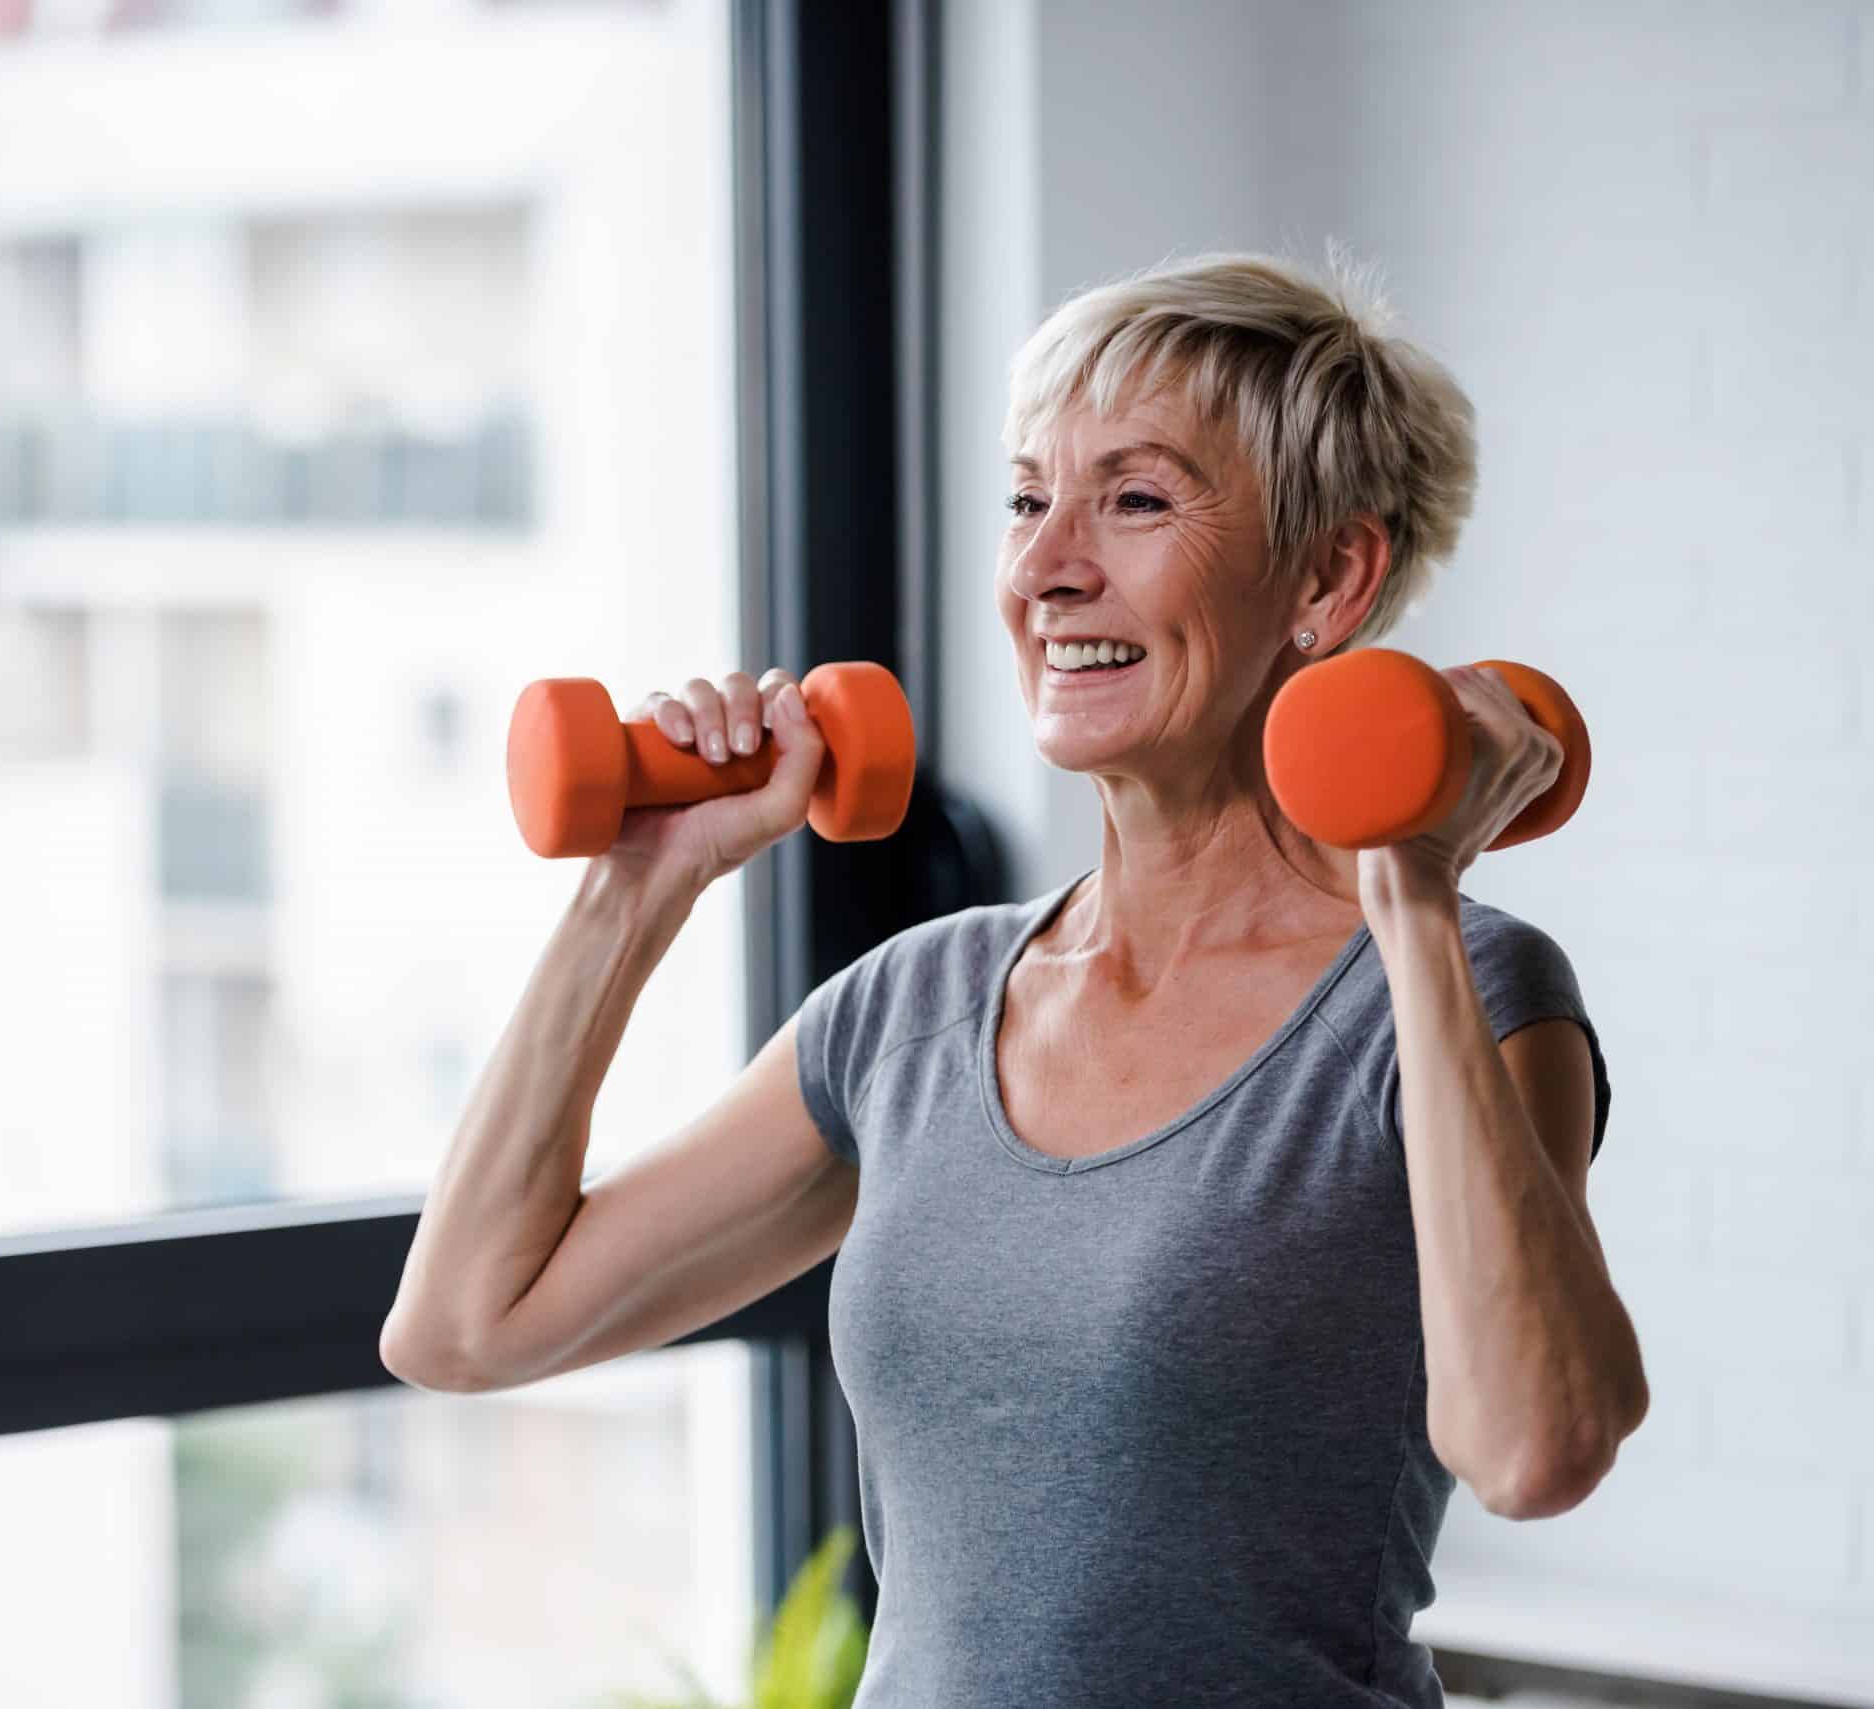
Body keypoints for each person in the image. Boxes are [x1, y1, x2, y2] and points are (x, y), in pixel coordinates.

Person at [379, 248, 1641, 1707]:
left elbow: (1537, 1447)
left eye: (1138, 498)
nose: (1047, 568)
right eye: (1030, 498)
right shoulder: (911, 1012)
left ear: (1329, 576)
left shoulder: (1463, 996)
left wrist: (1409, 886)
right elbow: (464, 1323)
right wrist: (636, 887)